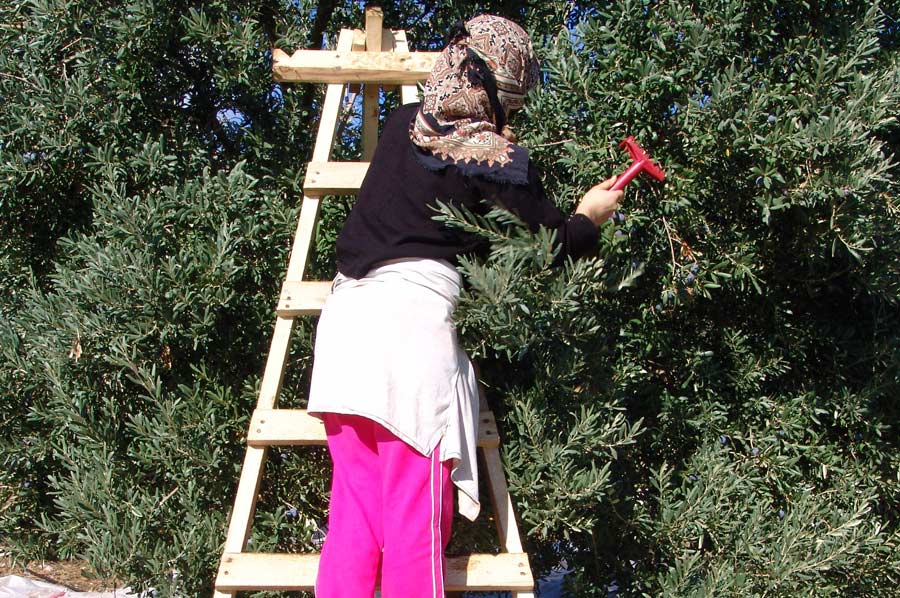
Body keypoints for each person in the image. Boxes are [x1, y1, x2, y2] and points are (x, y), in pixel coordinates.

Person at [307, 14, 623, 597]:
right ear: (501, 91)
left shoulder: (403, 125)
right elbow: (550, 244)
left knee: (354, 521)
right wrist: (589, 217)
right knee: (413, 528)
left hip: (343, 333)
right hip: (407, 348)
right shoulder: (491, 157)